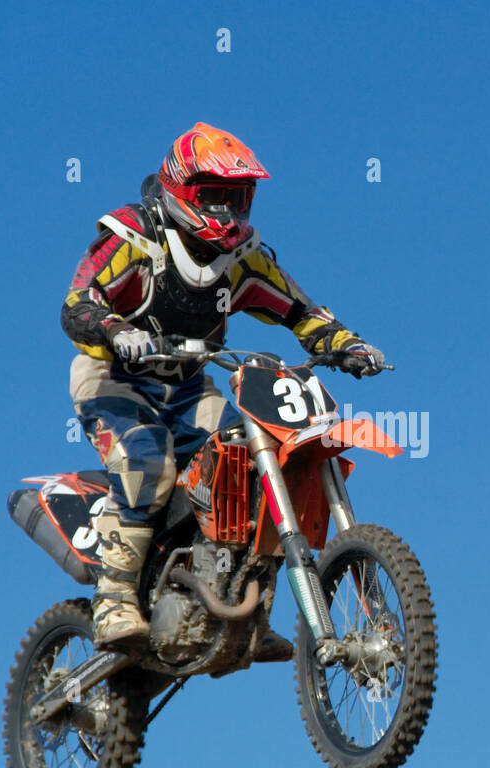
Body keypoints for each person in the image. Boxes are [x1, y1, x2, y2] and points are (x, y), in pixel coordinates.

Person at [60, 122, 385, 658]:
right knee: (146, 458)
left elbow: (299, 311)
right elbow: (77, 304)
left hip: (189, 386)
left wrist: (346, 344)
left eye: (238, 198)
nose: (230, 212)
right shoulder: (132, 238)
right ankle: (114, 597)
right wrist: (118, 331)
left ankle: (243, 600)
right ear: (184, 190)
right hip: (115, 379)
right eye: (217, 197)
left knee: (255, 458)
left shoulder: (241, 259)